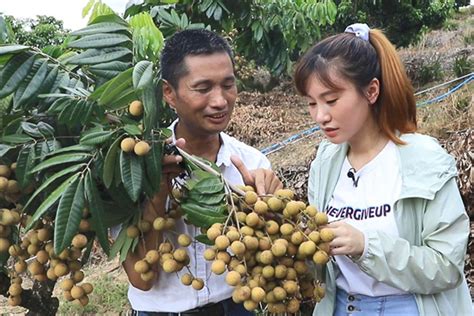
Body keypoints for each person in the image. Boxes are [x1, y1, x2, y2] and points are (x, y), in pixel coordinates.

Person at [294, 23, 471, 315]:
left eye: (332, 100)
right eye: (312, 103)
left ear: (371, 91)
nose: (320, 116)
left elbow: (447, 266)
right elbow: (319, 260)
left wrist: (365, 246)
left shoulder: (424, 159)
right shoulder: (326, 162)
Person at [123, 29, 283, 315]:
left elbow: (272, 261)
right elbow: (141, 278)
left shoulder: (252, 163)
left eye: (228, 85)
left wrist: (270, 212)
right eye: (203, 87)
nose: (220, 100)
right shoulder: (134, 166)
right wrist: (159, 190)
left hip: (237, 307)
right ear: (169, 93)